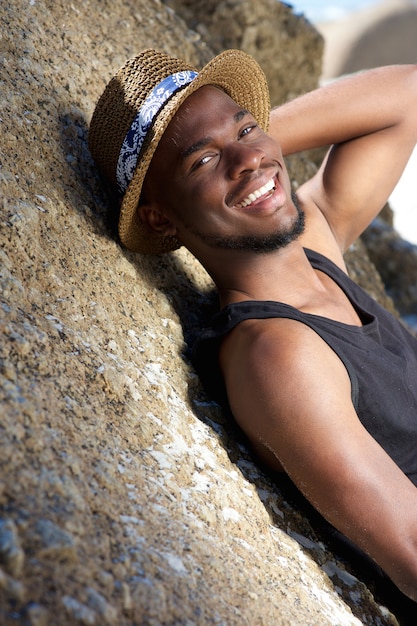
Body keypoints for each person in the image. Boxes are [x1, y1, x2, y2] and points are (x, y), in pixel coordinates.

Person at [89, 48, 417, 602]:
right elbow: (409, 542)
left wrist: (249, 156)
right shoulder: (276, 354)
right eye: (200, 162)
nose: (247, 157)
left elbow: (406, 96)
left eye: (246, 126)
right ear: (159, 217)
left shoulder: (315, 245)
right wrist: (245, 162)